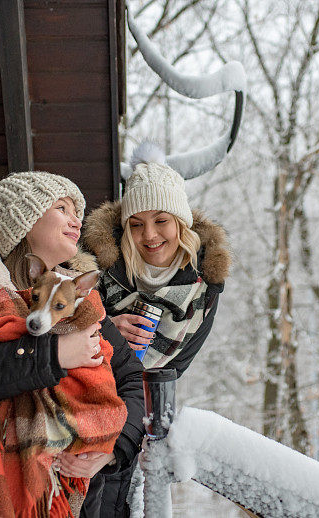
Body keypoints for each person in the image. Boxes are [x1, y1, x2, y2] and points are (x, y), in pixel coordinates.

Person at [0, 172, 145, 518]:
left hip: (69, 498)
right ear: (22, 220)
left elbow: (129, 379)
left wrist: (112, 450)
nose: (76, 219)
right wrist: (54, 355)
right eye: (62, 207)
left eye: (77, 211)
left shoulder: (79, 302)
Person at [81, 143, 231, 517]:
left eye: (161, 220)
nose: (149, 235)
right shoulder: (96, 266)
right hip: (80, 417)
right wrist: (106, 329)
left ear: (180, 222)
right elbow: (60, 327)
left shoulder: (204, 288)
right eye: (136, 224)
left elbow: (174, 369)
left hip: (132, 431)